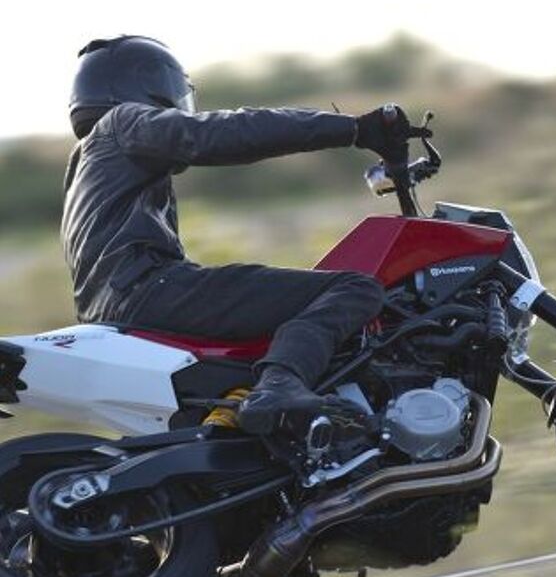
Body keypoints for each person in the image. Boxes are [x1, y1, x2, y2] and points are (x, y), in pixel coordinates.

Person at [62, 35, 415, 433]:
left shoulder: (86, 161)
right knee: (355, 288)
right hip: (150, 291)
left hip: (114, 307)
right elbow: (221, 132)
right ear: (144, 84)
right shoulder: (123, 122)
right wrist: (352, 129)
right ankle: (279, 386)